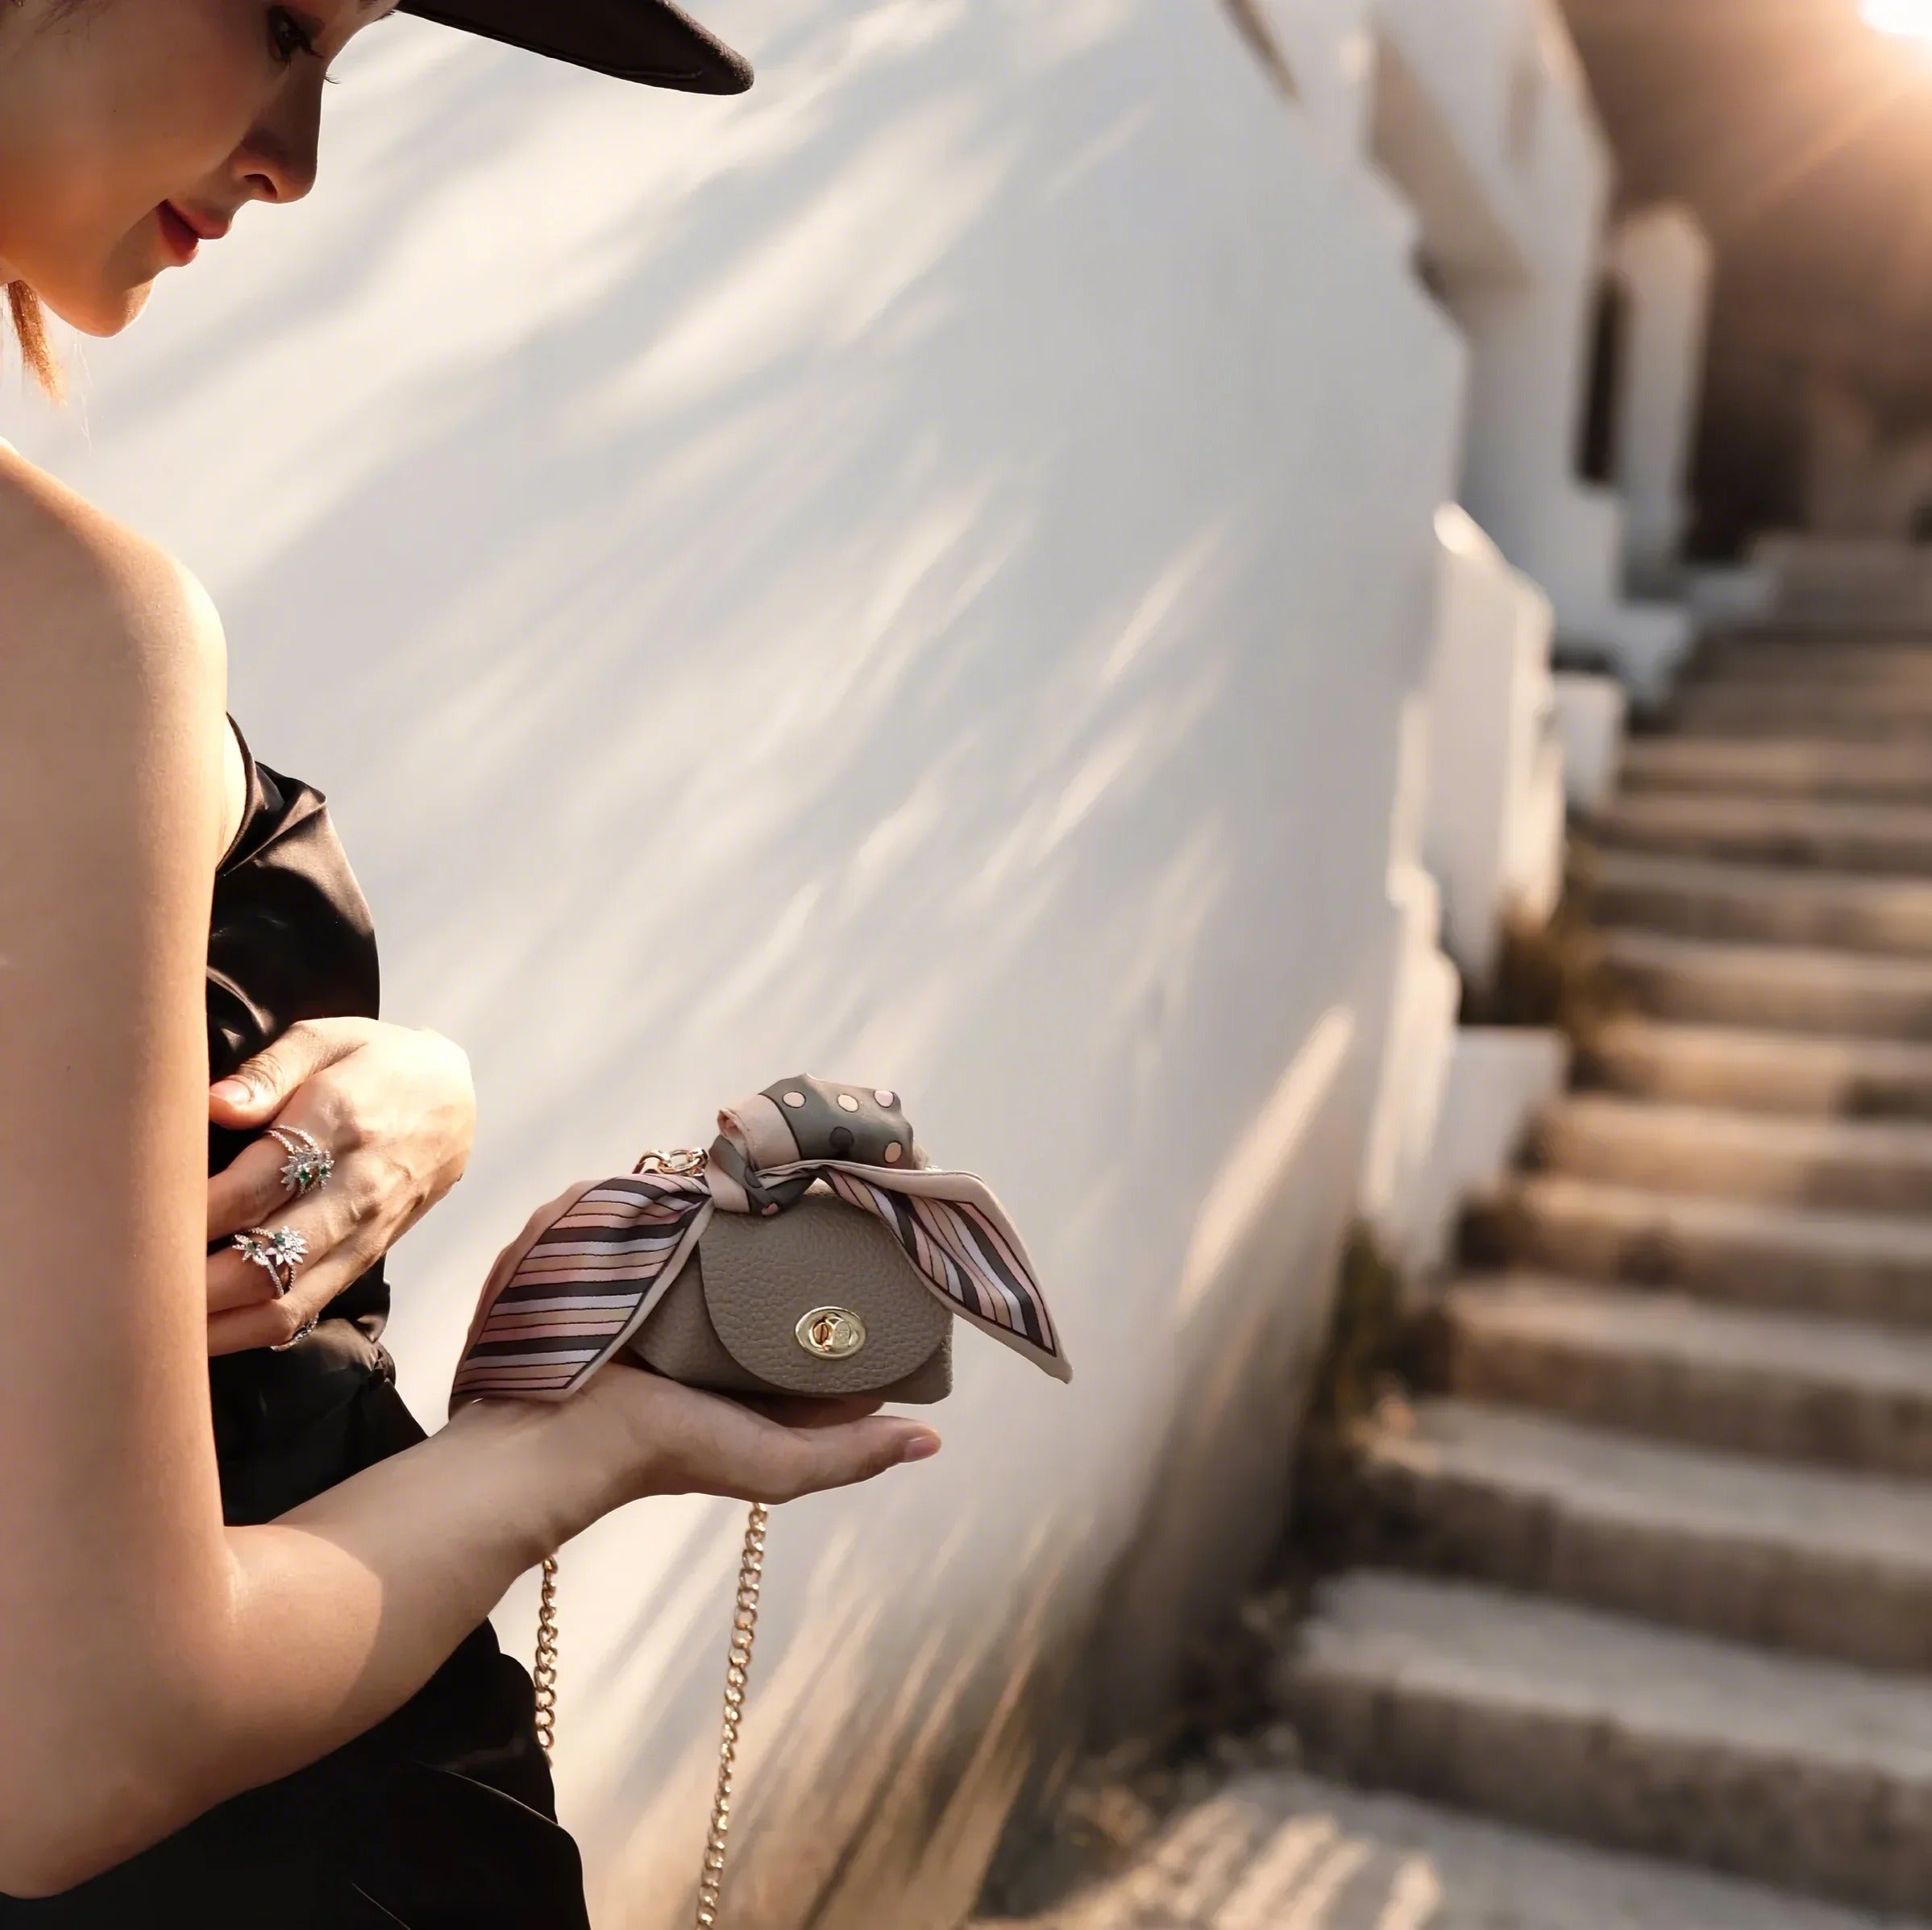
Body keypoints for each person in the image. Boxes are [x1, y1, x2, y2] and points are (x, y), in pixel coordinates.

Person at [0, 4, 942, 1922]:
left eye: (333, 63)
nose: (295, 157)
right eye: (275, 20)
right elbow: (71, 1728)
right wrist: (577, 1437)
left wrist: (390, 1084)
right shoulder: (67, 626)